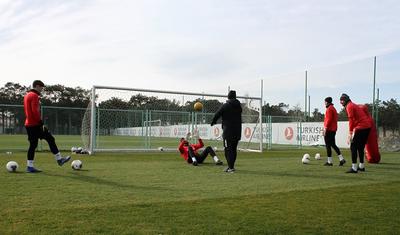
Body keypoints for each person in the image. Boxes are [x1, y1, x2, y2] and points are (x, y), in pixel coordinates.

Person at [24, 80, 71, 173]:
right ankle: (59, 159)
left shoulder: (27, 95)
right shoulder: (34, 96)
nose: (42, 89)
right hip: (35, 124)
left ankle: (29, 166)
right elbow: (35, 111)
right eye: (41, 87)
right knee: (50, 139)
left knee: (33, 145)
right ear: (37, 86)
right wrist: (40, 122)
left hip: (28, 124)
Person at [211, 90, 242, 173]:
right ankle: (231, 166)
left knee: (227, 150)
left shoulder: (225, 106)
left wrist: (213, 122)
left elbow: (217, 114)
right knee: (233, 149)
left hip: (228, 132)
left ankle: (230, 168)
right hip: (237, 132)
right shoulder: (239, 106)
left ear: (228, 97)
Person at [339, 93, 372, 173]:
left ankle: (354, 168)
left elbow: (351, 120)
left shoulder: (349, 106)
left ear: (346, 100)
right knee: (360, 147)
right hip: (367, 126)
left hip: (361, 127)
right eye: (340, 100)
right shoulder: (352, 105)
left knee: (353, 146)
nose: (341, 102)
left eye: (342, 100)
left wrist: (350, 133)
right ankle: (361, 166)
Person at [323, 97, 345, 166]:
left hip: (329, 130)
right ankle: (341, 159)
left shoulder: (329, 109)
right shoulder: (333, 108)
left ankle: (330, 162)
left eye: (325, 101)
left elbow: (328, 119)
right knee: (333, 144)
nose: (324, 103)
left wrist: (325, 128)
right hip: (333, 129)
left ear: (327, 102)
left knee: (328, 145)